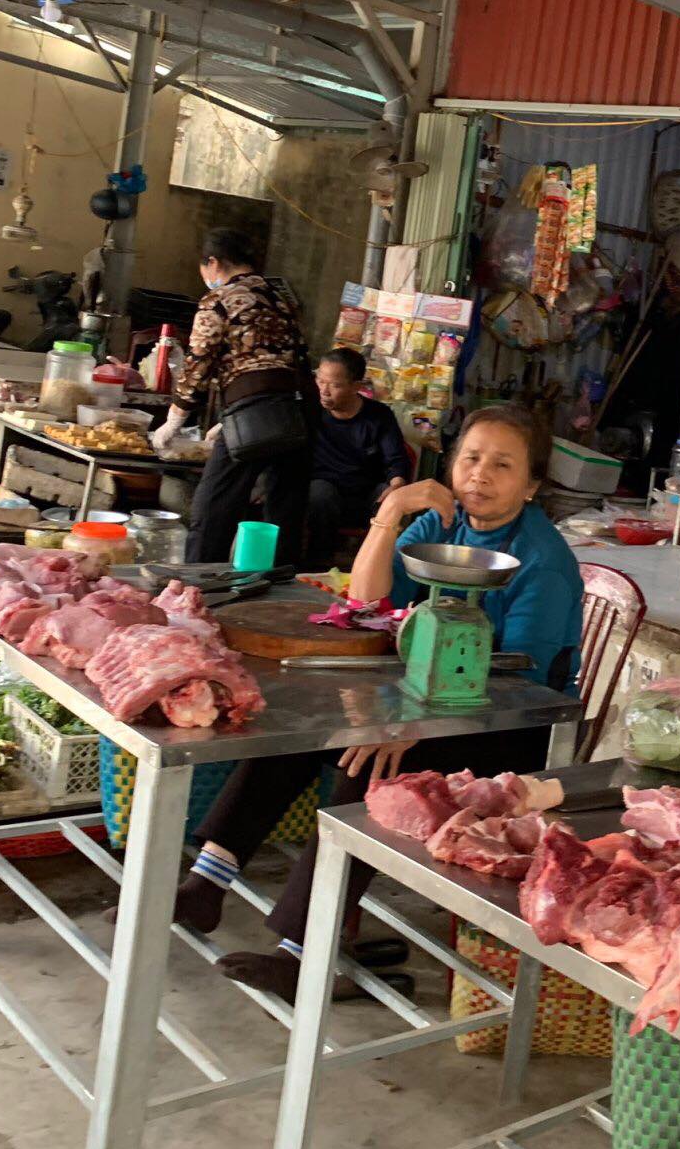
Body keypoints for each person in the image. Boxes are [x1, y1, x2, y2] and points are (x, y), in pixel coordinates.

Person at [180, 404, 585, 1000]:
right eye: (471, 458)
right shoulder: (445, 523)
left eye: (502, 465)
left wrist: (412, 726)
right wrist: (392, 512)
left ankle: (304, 950)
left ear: (530, 485)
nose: (480, 474)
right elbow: (366, 601)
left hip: (513, 725)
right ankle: (207, 882)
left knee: (371, 765)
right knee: (311, 728)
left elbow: (521, 677)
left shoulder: (543, 561)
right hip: (429, 696)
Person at [156, 229, 315, 565]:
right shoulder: (281, 297)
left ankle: (197, 583)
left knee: (213, 506)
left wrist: (175, 419)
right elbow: (294, 355)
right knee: (284, 512)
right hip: (297, 412)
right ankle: (278, 583)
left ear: (213, 262)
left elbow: (198, 362)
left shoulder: (218, 300)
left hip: (253, 415)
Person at [304, 346, 412, 568]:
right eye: (320, 381)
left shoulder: (379, 416)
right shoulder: (310, 409)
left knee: (392, 498)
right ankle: (317, 564)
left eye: (335, 385)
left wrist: (396, 486)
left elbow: (396, 459)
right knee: (320, 493)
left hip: (365, 496)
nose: (324, 391)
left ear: (357, 386)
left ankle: (377, 568)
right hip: (324, 497)